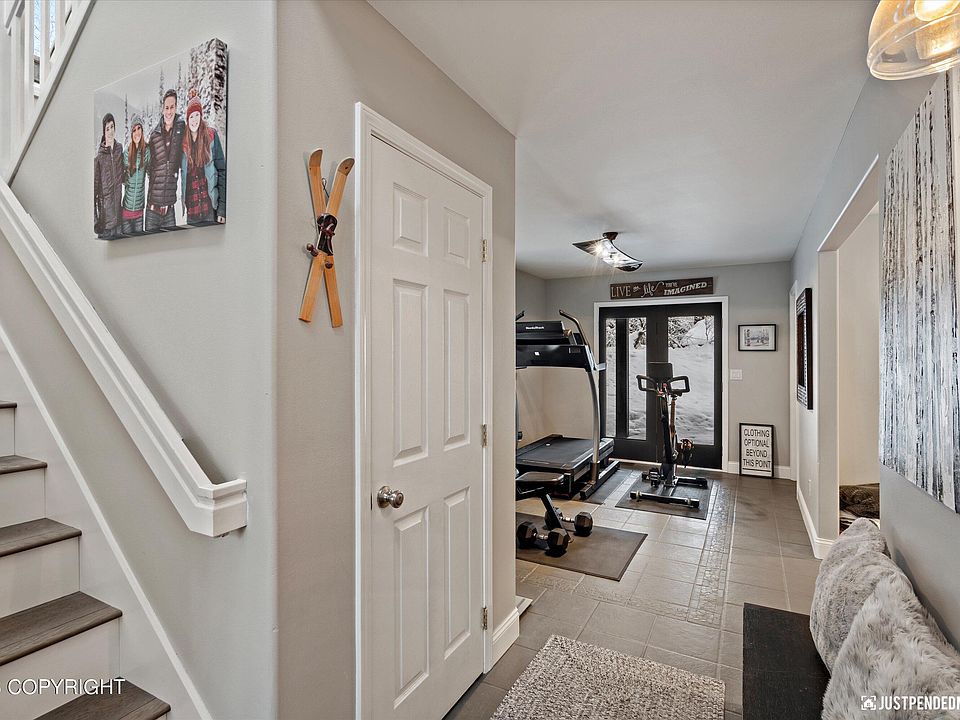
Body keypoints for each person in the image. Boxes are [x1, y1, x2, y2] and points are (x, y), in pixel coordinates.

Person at [181, 89, 226, 225]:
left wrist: (222, 209)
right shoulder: (183, 143)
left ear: (201, 116)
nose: (194, 120)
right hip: (192, 211)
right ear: (187, 119)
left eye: (197, 115)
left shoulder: (211, 136)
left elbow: (222, 172)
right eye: (191, 116)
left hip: (210, 208)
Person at [145, 89, 185, 232]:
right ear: (162, 109)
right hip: (152, 210)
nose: (169, 111)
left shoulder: (181, 129)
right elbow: (148, 167)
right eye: (166, 108)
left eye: (172, 107)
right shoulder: (154, 135)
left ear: (176, 107)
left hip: (169, 211)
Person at [93, 113, 123, 239]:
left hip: (119, 221)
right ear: (104, 131)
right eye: (107, 128)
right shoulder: (99, 158)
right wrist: (96, 222)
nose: (110, 131)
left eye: (112, 127)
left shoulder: (119, 149)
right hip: (105, 224)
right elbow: (93, 193)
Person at [120, 115, 150, 235]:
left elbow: (152, 174)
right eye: (134, 130)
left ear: (142, 131)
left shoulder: (147, 152)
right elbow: (120, 176)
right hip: (126, 211)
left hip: (139, 213)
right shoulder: (126, 154)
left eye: (139, 129)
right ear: (131, 133)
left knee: (139, 243)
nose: (137, 132)